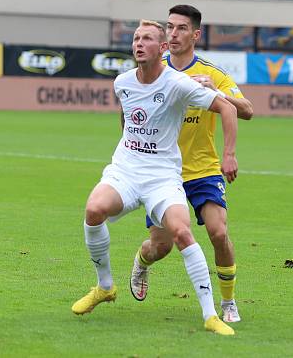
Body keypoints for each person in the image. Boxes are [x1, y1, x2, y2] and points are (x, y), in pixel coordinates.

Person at [71, 20, 239, 336]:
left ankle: (210, 314)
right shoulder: (122, 82)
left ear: (162, 48)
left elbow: (227, 109)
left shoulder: (178, 84)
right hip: (126, 170)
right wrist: (129, 149)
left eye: (147, 38)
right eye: (136, 38)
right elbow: (127, 115)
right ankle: (105, 287)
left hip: (162, 176)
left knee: (181, 231)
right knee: (94, 210)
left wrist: (228, 154)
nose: (139, 43)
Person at [129, 5, 254, 324]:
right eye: (169, 27)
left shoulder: (212, 73)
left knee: (218, 231)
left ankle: (228, 302)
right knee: (161, 247)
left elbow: (248, 110)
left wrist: (217, 97)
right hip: (162, 172)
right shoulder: (153, 70)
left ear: (195, 35)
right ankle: (142, 262)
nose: (173, 34)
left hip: (203, 169)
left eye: (181, 28)